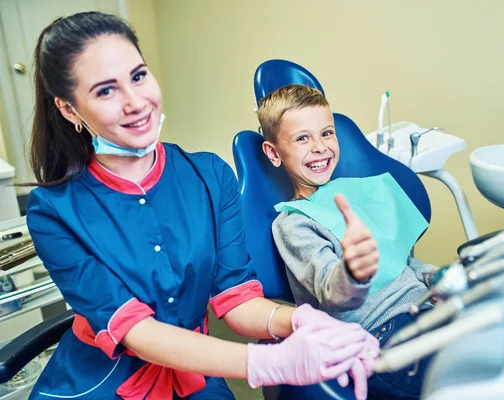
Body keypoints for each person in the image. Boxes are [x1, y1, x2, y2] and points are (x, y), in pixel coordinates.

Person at [24, 12, 378, 400]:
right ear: (70, 110)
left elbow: (237, 299)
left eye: (138, 76)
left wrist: (304, 322)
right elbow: (135, 331)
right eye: (106, 91)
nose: (135, 102)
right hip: (99, 382)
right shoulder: (53, 212)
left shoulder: (211, 176)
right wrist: (267, 363)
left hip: (196, 374)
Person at [259, 84, 437, 399]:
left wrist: (433, 276)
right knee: (465, 376)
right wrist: (353, 271)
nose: (319, 147)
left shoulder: (354, 193)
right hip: (383, 334)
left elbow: (401, 261)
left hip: (426, 305)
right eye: (303, 138)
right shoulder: (294, 223)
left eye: (326, 133)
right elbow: (331, 290)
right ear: (274, 153)